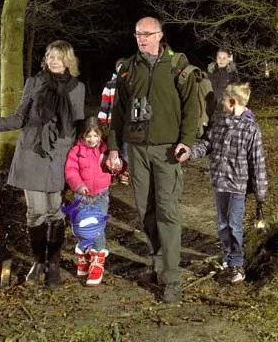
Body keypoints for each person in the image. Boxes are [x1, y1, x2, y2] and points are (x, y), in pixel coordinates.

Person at [0, 40, 85, 287]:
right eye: (49, 56)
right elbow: (20, 117)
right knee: (36, 212)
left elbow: (78, 128)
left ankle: (53, 264)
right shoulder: (34, 83)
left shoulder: (78, 88)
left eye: (58, 57)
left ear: (68, 61)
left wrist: (83, 161)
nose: (53, 61)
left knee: (55, 212)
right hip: (31, 154)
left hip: (59, 156)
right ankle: (38, 262)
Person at [106, 17, 200, 303]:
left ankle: (172, 278)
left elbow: (191, 109)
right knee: (146, 211)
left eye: (147, 34)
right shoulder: (127, 69)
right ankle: (158, 260)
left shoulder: (178, 66)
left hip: (167, 150)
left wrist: (186, 141)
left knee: (167, 212)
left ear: (160, 35)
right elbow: (118, 114)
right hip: (136, 151)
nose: (142, 39)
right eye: (138, 34)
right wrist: (112, 148)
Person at [176, 82, 267, 285]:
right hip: (219, 182)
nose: (220, 104)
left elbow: (257, 161)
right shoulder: (219, 122)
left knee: (234, 225)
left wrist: (261, 194)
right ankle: (228, 257)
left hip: (237, 186)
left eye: (223, 101)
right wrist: (190, 152)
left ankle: (237, 263)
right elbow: (207, 143)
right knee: (223, 225)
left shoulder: (250, 128)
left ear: (233, 102)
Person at [64, 116, 116, 286]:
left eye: (96, 136)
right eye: (89, 136)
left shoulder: (105, 149)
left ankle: (98, 258)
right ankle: (85, 255)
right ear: (82, 136)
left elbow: (116, 165)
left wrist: (117, 166)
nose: (92, 140)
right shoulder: (76, 152)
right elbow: (71, 172)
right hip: (82, 195)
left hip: (101, 194)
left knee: (97, 226)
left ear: (100, 135)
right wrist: (78, 186)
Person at [98, 57, 130, 186]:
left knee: (126, 147)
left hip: (127, 122)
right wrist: (102, 121)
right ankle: (111, 172)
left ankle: (125, 172)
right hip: (112, 122)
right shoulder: (110, 84)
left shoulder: (130, 84)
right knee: (113, 147)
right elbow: (105, 103)